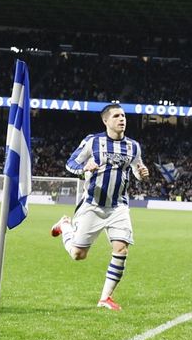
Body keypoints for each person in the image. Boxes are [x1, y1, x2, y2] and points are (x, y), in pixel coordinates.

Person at [51, 102, 150, 311]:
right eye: (116, 116)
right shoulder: (92, 142)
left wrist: (141, 175)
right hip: (93, 205)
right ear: (105, 121)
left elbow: (136, 169)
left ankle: (105, 298)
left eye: (123, 116)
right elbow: (70, 164)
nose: (122, 119)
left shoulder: (133, 146)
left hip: (118, 206)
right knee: (78, 255)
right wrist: (83, 167)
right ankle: (65, 226)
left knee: (121, 248)